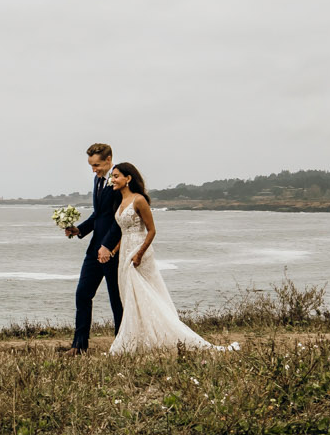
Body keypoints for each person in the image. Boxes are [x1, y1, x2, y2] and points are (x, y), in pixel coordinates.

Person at [105, 162, 236, 356]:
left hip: (139, 251)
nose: (112, 180)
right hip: (125, 250)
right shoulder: (119, 201)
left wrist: (139, 253)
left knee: (141, 293)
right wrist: (115, 249)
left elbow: (151, 230)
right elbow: (124, 232)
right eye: (112, 176)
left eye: (116, 176)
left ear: (128, 178)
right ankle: (140, 338)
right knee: (129, 295)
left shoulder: (139, 200)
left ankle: (160, 334)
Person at [61, 142, 123, 354]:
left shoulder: (118, 181)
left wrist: (107, 246)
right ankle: (79, 345)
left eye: (96, 165)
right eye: (91, 166)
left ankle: (120, 345)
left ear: (108, 159)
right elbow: (99, 215)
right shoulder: (97, 181)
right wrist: (79, 230)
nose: (93, 170)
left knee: (117, 299)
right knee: (82, 294)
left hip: (112, 251)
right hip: (93, 248)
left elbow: (118, 219)